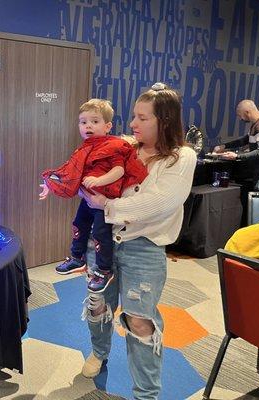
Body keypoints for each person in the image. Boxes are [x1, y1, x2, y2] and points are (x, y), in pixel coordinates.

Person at [78, 83, 197, 400]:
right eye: (134, 116)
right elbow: (85, 174)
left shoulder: (181, 157)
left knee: (140, 321)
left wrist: (106, 205)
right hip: (102, 242)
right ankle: (99, 351)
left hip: (144, 248)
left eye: (142, 117)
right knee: (97, 305)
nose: (133, 123)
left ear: (165, 121)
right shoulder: (124, 147)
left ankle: (146, 393)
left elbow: (160, 203)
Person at [39, 99, 148, 292]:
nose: (88, 125)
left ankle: (105, 270)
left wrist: (99, 181)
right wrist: (50, 184)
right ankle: (77, 257)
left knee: (100, 232)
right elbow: (70, 171)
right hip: (88, 198)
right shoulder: (84, 148)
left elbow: (119, 171)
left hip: (105, 200)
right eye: (83, 122)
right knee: (78, 224)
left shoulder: (113, 146)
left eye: (95, 121)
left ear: (107, 126)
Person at [213, 99, 259, 192]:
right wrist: (224, 146)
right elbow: (245, 140)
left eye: (240, 115)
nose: (240, 118)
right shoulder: (257, 124)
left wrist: (237, 156)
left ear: (247, 112)